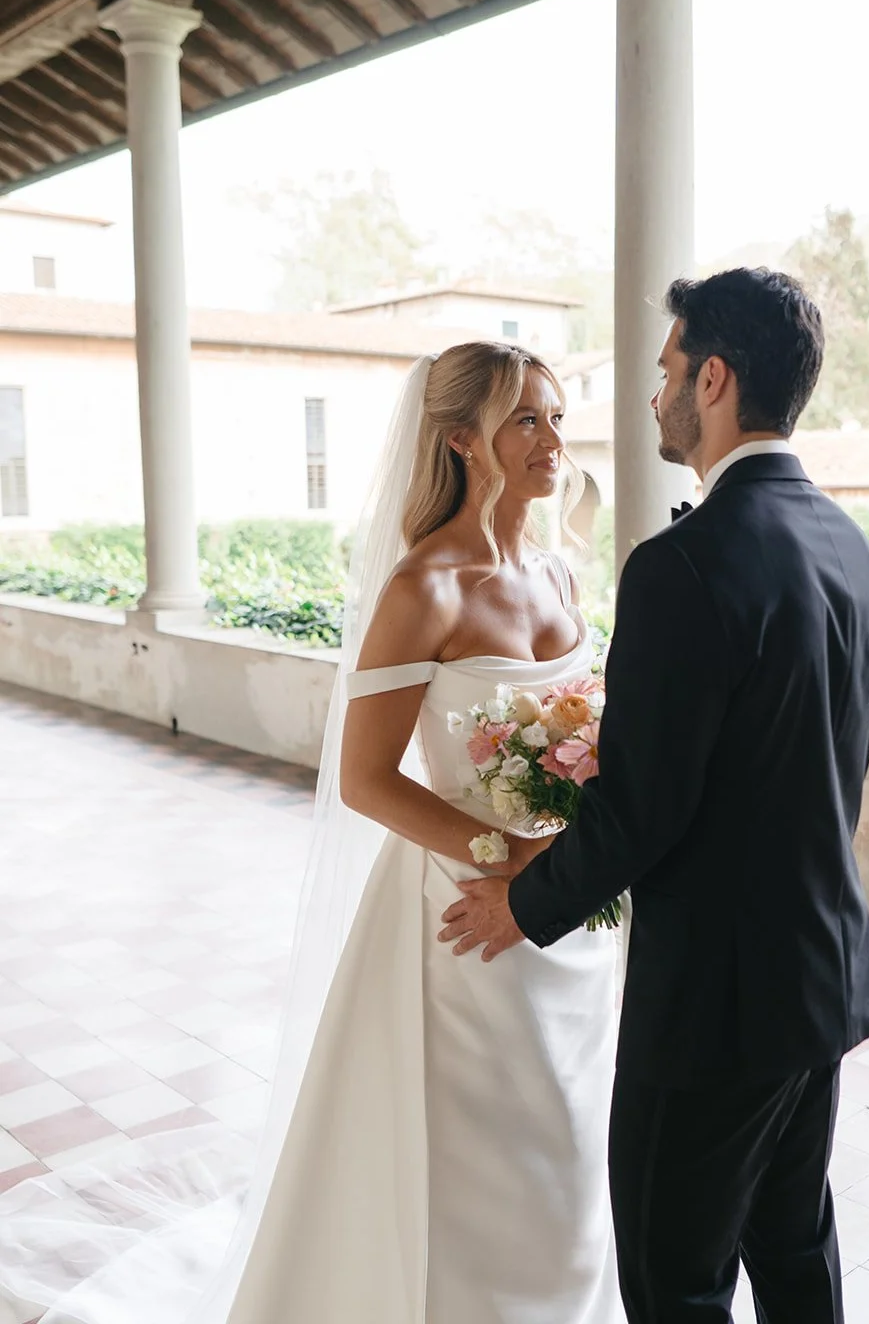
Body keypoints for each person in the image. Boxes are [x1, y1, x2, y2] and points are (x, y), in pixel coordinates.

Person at [0, 342, 624, 1324]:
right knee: (476, 1143)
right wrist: (510, 864)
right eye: (524, 420)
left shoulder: (557, 571)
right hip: (466, 906)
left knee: (566, 1132)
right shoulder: (427, 584)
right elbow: (367, 777)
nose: (552, 440)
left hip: (572, 911)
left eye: (553, 416)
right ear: (463, 439)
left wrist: (571, 860)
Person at [440, 268, 869, 1324]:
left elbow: (643, 808)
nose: (651, 397)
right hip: (820, 978)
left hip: (715, 1005)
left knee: (674, 1278)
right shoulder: (855, 553)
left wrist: (522, 902)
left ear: (713, 378)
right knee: (791, 1245)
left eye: (662, 372)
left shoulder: (680, 567)